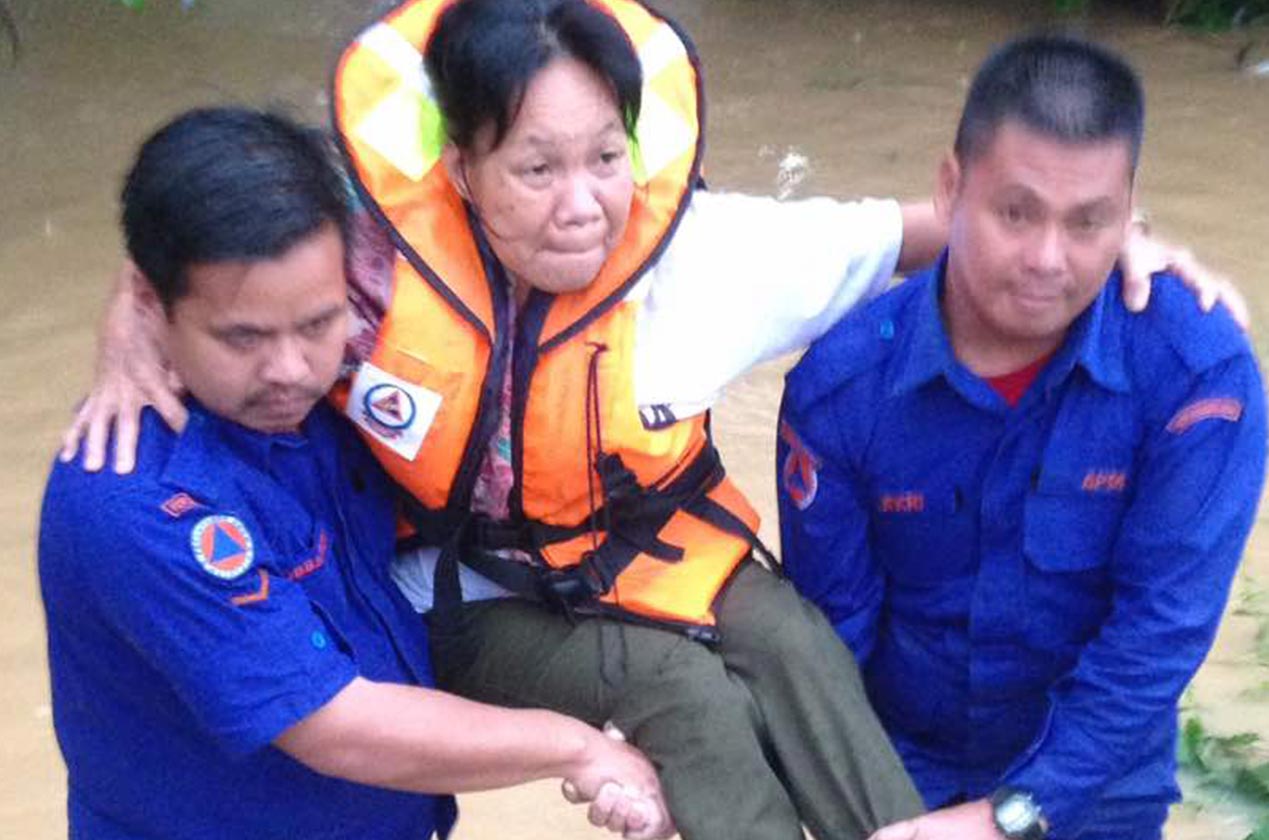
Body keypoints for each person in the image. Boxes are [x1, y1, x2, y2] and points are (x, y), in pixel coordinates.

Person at [60, 2, 1243, 838]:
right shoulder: (365, 268)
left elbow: (932, 226)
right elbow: (221, 240)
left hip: (662, 548)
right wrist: (134, 318)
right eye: (533, 168)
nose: (581, 204)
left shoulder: (712, 253)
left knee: (798, 650)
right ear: (460, 165)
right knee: (691, 701)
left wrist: (1108, 242)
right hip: (482, 592)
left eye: (604, 158)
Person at [39, 107, 673, 840]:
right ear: (154, 305)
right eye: (241, 337)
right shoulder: (139, 500)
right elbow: (337, 726)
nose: (288, 370)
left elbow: (482, 165)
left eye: (317, 323)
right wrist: (579, 748)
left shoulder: (339, 389)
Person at [777, 35, 1266, 840]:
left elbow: (1157, 635)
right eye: (1015, 212)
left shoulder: (1195, 379)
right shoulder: (840, 392)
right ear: (949, 187)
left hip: (1097, 786)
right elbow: (833, 646)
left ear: (1129, 211)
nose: (1047, 258)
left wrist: (1009, 820)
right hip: (900, 780)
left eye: (1087, 223)